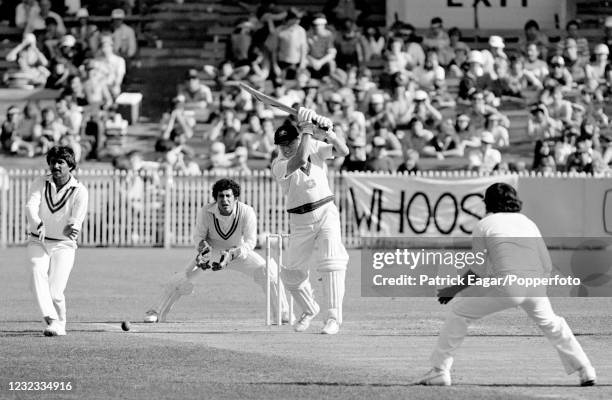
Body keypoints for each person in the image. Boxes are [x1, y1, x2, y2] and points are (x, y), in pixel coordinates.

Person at [417, 183, 596, 386]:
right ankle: (586, 369)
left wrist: (453, 289)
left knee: (459, 312)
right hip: (535, 285)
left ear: (488, 203)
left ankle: (439, 371)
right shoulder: (528, 222)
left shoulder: (484, 224)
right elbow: (546, 264)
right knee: (553, 324)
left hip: (509, 285)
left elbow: (478, 271)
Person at [143, 178, 290, 323]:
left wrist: (232, 254)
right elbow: (198, 236)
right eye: (221, 196)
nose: (224, 200)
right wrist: (204, 250)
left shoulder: (246, 211)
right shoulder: (206, 211)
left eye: (228, 196)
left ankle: (282, 313)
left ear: (235, 198)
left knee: (268, 270)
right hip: (212, 253)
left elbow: (250, 242)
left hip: (237, 253)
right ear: (216, 198)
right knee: (182, 278)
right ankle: (156, 311)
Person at [271, 108, 350, 334]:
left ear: (297, 139)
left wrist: (329, 132)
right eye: (282, 145)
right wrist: (307, 130)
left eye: (289, 143)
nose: (286, 148)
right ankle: (309, 308)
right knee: (291, 274)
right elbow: (299, 160)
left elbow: (344, 151)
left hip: (326, 211)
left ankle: (333, 318)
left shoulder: (314, 145)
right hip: (300, 220)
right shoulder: (278, 164)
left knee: (332, 263)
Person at [25, 145, 89, 336]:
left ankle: (60, 322)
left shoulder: (79, 190)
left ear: (70, 165)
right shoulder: (40, 182)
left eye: (60, 162)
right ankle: (52, 320)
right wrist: (37, 223)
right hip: (39, 240)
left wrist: (73, 226)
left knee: (55, 292)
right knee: (36, 269)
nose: (56, 166)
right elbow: (31, 205)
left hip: (64, 244)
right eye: (53, 162)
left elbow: (77, 218)